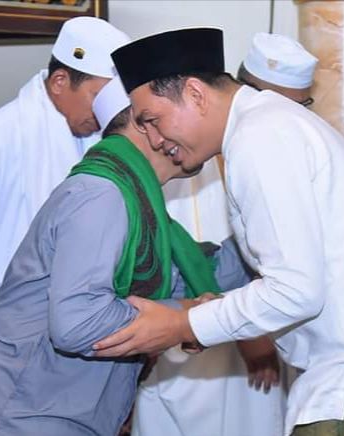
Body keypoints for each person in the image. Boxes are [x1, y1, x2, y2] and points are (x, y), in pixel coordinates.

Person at [95, 28, 344, 436]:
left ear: (195, 94)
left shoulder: (259, 137)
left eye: (152, 120)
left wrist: (184, 324)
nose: (156, 140)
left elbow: (295, 290)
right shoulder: (266, 123)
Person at [0, 75, 257, 435]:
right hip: (24, 412)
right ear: (150, 126)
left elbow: (203, 274)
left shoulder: (140, 209)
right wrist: (183, 316)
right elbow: (79, 323)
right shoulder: (101, 195)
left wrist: (272, 219)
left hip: (64, 411)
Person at [131, 32, 318, 436]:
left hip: (249, 333)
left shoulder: (271, 144)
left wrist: (255, 334)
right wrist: (240, 332)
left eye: (300, 107)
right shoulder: (184, 147)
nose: (285, 117)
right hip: (187, 338)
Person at [0, 16, 130, 366]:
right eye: (97, 97)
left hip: (53, 340)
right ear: (59, 82)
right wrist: (8, 313)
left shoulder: (95, 139)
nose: (105, 113)